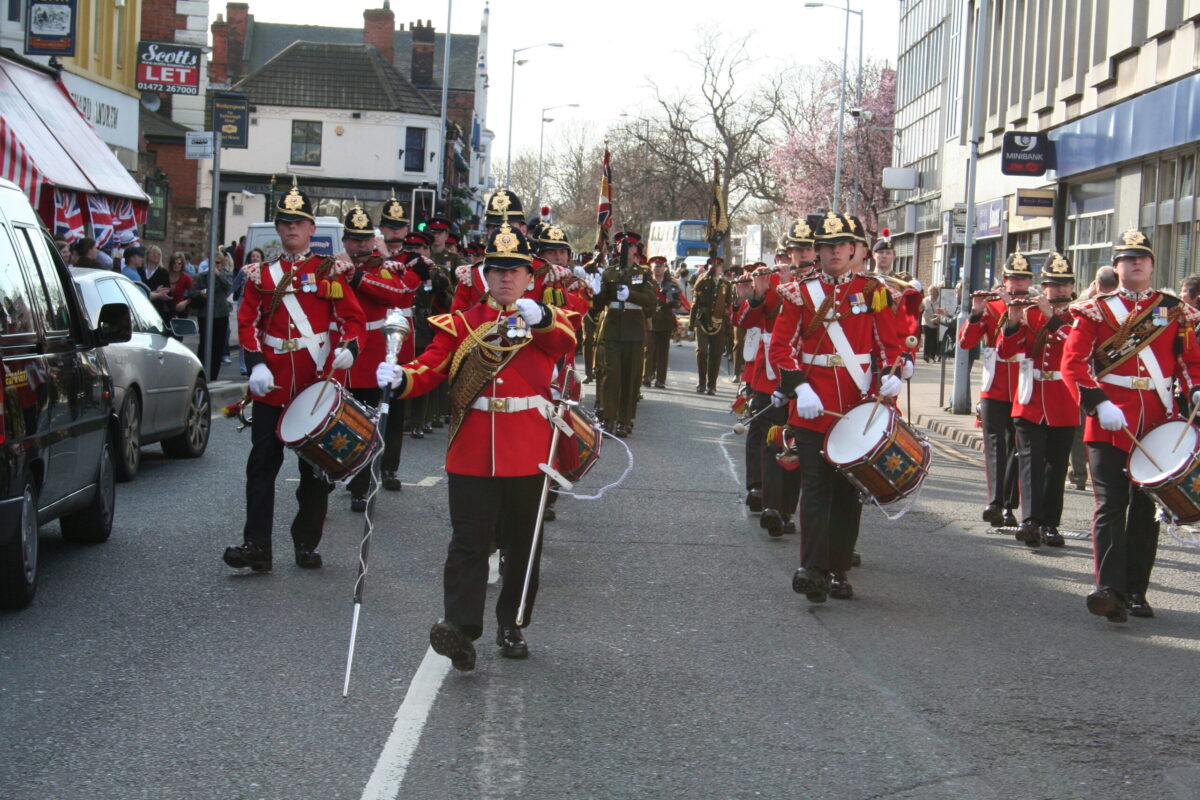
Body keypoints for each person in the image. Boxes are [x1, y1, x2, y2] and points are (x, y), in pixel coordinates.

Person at [376, 222, 579, 669]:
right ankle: (460, 630)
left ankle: (513, 623)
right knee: (468, 542)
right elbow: (433, 366)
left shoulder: (546, 318)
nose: (506, 278)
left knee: (523, 545)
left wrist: (540, 316)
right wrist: (402, 377)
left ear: (531, 276)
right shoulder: (464, 324)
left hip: (528, 448)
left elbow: (564, 342)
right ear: (485, 276)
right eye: (497, 270)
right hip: (472, 449)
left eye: (516, 270)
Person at [222, 181, 365, 573]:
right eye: (285, 223)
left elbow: (353, 319)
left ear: (311, 230)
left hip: (314, 383)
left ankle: (306, 543)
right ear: (278, 228)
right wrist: (257, 364)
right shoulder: (260, 274)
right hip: (273, 385)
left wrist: (348, 349)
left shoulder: (328, 270)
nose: (291, 230)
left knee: (314, 473)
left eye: (298, 224)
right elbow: (247, 320)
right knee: (261, 467)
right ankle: (257, 546)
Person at [1062, 229, 1200, 622]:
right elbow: (1073, 364)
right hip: (1109, 421)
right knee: (1109, 506)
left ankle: (1136, 591)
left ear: (1152, 265)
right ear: (1116, 267)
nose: (1135, 263)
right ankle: (1109, 589)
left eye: (1142, 258)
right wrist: (1098, 402)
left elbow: (1189, 362)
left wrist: (1195, 390)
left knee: (1145, 510)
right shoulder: (1095, 310)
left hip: (1156, 423)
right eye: (1127, 258)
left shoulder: (1172, 310)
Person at [768, 212, 905, 602]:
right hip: (814, 408)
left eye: (841, 245)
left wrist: (892, 378)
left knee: (848, 492)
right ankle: (811, 568)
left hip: (858, 408)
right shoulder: (800, 292)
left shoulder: (873, 291)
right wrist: (799, 387)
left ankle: (838, 568)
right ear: (819, 251)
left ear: (855, 249)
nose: (834, 252)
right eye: (826, 246)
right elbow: (782, 347)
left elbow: (888, 346)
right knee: (814, 487)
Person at [996, 253, 1078, 548]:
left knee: (1056, 466)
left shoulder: (1081, 315)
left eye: (1064, 284)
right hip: (1030, 398)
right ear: (1043, 287)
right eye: (1053, 284)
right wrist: (1013, 322)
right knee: (1029, 460)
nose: (1058, 290)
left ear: (1072, 287)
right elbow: (1006, 353)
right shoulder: (1028, 313)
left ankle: (1051, 524)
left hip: (1064, 401)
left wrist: (1052, 317)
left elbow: (1075, 346)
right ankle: (1030, 520)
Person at [337, 204, 414, 512]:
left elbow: (397, 295)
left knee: (370, 426)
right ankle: (340, 474)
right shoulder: (333, 265)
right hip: (342, 357)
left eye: (366, 239)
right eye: (355, 240)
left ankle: (362, 485)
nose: (361, 246)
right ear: (345, 241)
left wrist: (356, 275)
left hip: (372, 361)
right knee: (343, 425)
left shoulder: (385, 266)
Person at [959, 252, 1031, 529]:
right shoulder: (992, 305)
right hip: (996, 382)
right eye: (1014, 279)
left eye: (1023, 279)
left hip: (1024, 384)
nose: (1019, 285)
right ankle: (994, 501)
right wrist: (976, 313)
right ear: (1004, 280)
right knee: (993, 444)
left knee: (1018, 446)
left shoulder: (1035, 307)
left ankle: (1010, 504)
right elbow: (966, 343)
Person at [736, 262, 798, 535]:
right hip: (768, 375)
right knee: (769, 440)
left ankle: (785, 508)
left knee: (796, 445)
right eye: (795, 251)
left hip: (805, 375)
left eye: (806, 249)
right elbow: (743, 321)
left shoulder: (822, 282)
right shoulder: (768, 280)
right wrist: (757, 295)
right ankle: (768, 501)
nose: (798, 256)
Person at [592, 231, 656, 436]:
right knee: (611, 375)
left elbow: (651, 303)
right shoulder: (609, 272)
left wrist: (632, 295)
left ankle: (625, 419)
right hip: (611, 328)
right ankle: (607, 416)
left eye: (629, 246)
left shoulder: (643, 273)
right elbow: (597, 305)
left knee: (630, 377)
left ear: (636, 250)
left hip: (633, 330)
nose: (624, 249)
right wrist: (595, 291)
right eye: (621, 245)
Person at [190, 248, 234, 381]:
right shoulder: (202, 276)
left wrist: (218, 275)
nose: (216, 265)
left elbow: (229, 287)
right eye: (213, 262)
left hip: (220, 313)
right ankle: (201, 372)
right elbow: (192, 292)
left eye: (218, 263)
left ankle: (213, 374)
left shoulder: (226, 275)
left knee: (217, 345)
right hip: (205, 313)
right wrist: (200, 294)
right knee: (204, 343)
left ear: (222, 264)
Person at [690, 255, 731, 395]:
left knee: (716, 354)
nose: (716, 268)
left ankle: (711, 384)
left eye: (718, 266)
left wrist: (728, 325)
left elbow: (729, 305)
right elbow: (696, 290)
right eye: (713, 266)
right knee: (702, 351)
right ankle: (701, 382)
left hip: (719, 322)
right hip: (702, 320)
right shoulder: (703, 280)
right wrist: (691, 325)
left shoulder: (726, 284)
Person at [644, 255, 682, 389]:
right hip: (650, 320)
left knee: (663, 353)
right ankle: (647, 375)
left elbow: (679, 303)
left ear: (664, 268)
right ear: (651, 268)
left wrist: (672, 302)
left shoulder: (671, 284)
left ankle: (661, 379)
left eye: (660, 267)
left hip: (665, 322)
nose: (658, 269)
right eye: (656, 267)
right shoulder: (647, 282)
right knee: (649, 350)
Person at [920, 286, 943, 362]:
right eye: (931, 291)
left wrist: (939, 318)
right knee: (927, 339)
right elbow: (920, 310)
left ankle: (933, 355)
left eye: (934, 291)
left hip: (936, 323)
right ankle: (926, 355)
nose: (932, 293)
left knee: (934, 340)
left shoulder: (941, 301)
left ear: (937, 292)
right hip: (926, 322)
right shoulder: (925, 300)